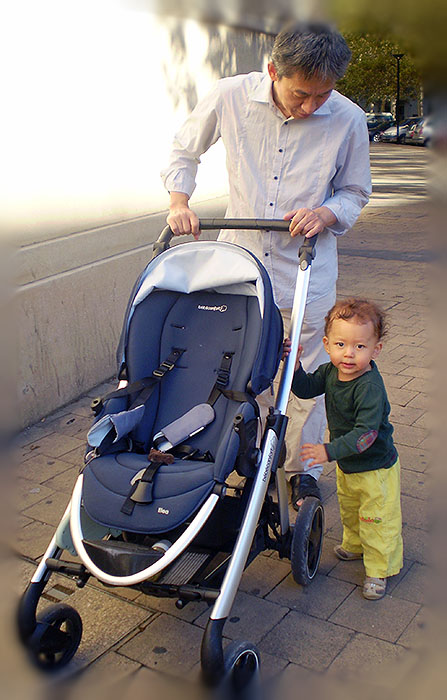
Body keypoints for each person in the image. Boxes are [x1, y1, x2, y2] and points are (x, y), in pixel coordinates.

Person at [161, 22, 372, 509]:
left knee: (307, 376)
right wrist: (179, 201)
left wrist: (325, 213)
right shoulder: (229, 96)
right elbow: (184, 150)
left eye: (323, 95)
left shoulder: (348, 118)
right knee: (239, 369)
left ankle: (302, 471)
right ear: (274, 70)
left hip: (307, 271)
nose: (311, 106)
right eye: (302, 94)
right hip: (241, 268)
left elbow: (355, 191)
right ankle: (242, 458)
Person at [290, 298, 403, 600]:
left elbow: (365, 435)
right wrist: (294, 367)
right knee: (351, 510)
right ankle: (354, 545)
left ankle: (379, 569)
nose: (349, 353)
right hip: (348, 464)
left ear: (376, 349)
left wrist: (328, 451)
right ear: (327, 344)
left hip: (375, 468)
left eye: (360, 346)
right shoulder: (330, 371)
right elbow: (305, 389)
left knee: (376, 519)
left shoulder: (369, 387)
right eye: (341, 344)